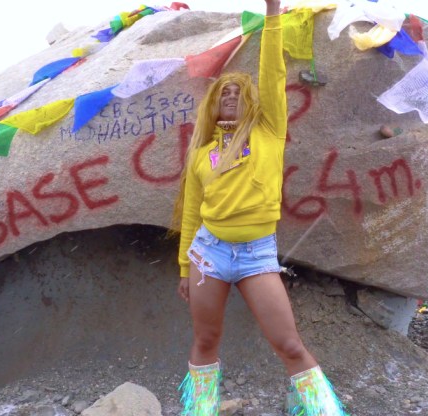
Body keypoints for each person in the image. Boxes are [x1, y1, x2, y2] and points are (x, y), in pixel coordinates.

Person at [172, 1, 348, 415]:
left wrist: (272, 13)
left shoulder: (269, 131)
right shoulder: (201, 155)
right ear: (213, 105)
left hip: (257, 255)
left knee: (289, 344)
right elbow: (192, 212)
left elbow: (273, 74)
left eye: (238, 93)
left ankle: (324, 410)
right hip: (207, 254)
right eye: (224, 93)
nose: (231, 97)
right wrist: (183, 267)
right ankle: (200, 410)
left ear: (251, 101)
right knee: (205, 340)